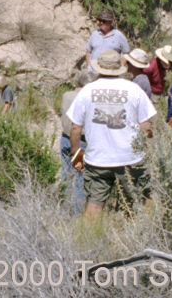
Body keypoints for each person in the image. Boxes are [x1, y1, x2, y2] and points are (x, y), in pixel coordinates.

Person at [68, 49, 156, 218]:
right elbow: (146, 127)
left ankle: (89, 241)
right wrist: (145, 146)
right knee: (136, 204)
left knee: (94, 205)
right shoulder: (134, 89)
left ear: (99, 67)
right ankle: (135, 239)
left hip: (98, 159)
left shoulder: (87, 91)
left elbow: (75, 128)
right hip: (130, 158)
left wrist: (75, 153)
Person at [60, 70, 97, 214]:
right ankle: (76, 212)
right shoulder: (89, 99)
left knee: (66, 175)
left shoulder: (66, 95)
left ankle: (64, 207)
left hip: (64, 138)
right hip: (79, 141)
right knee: (80, 177)